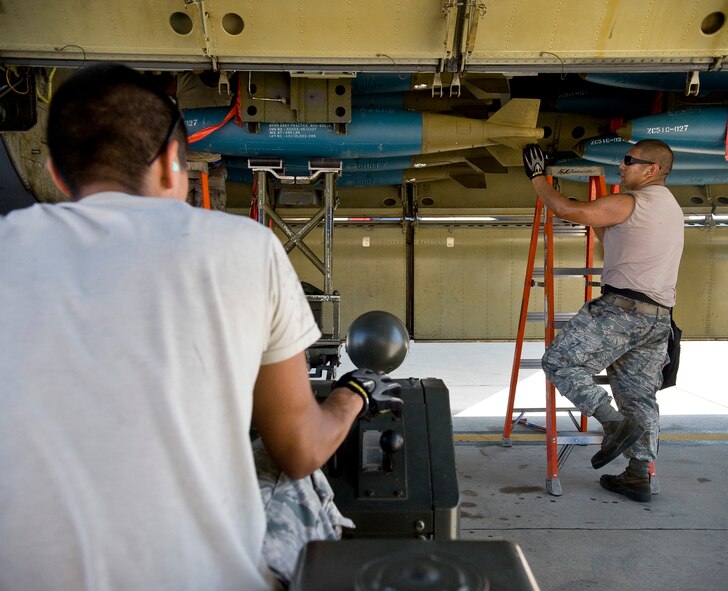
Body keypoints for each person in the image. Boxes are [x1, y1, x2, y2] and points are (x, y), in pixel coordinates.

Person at [0, 63, 401, 590]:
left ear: (56, 172)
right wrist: (353, 394)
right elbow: (299, 451)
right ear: (172, 163)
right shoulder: (245, 249)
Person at [522, 140, 684, 503]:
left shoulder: (634, 202)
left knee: (560, 362)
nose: (621, 167)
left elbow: (565, 209)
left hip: (622, 312)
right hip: (657, 320)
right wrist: (585, 211)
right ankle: (638, 474)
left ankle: (612, 424)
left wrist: (537, 178)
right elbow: (609, 233)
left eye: (629, 161)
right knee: (639, 397)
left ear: (651, 170)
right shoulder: (669, 208)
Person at [176, 71, 231, 211]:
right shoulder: (184, 80)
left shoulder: (230, 86)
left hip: (208, 170)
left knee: (210, 228)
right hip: (187, 169)